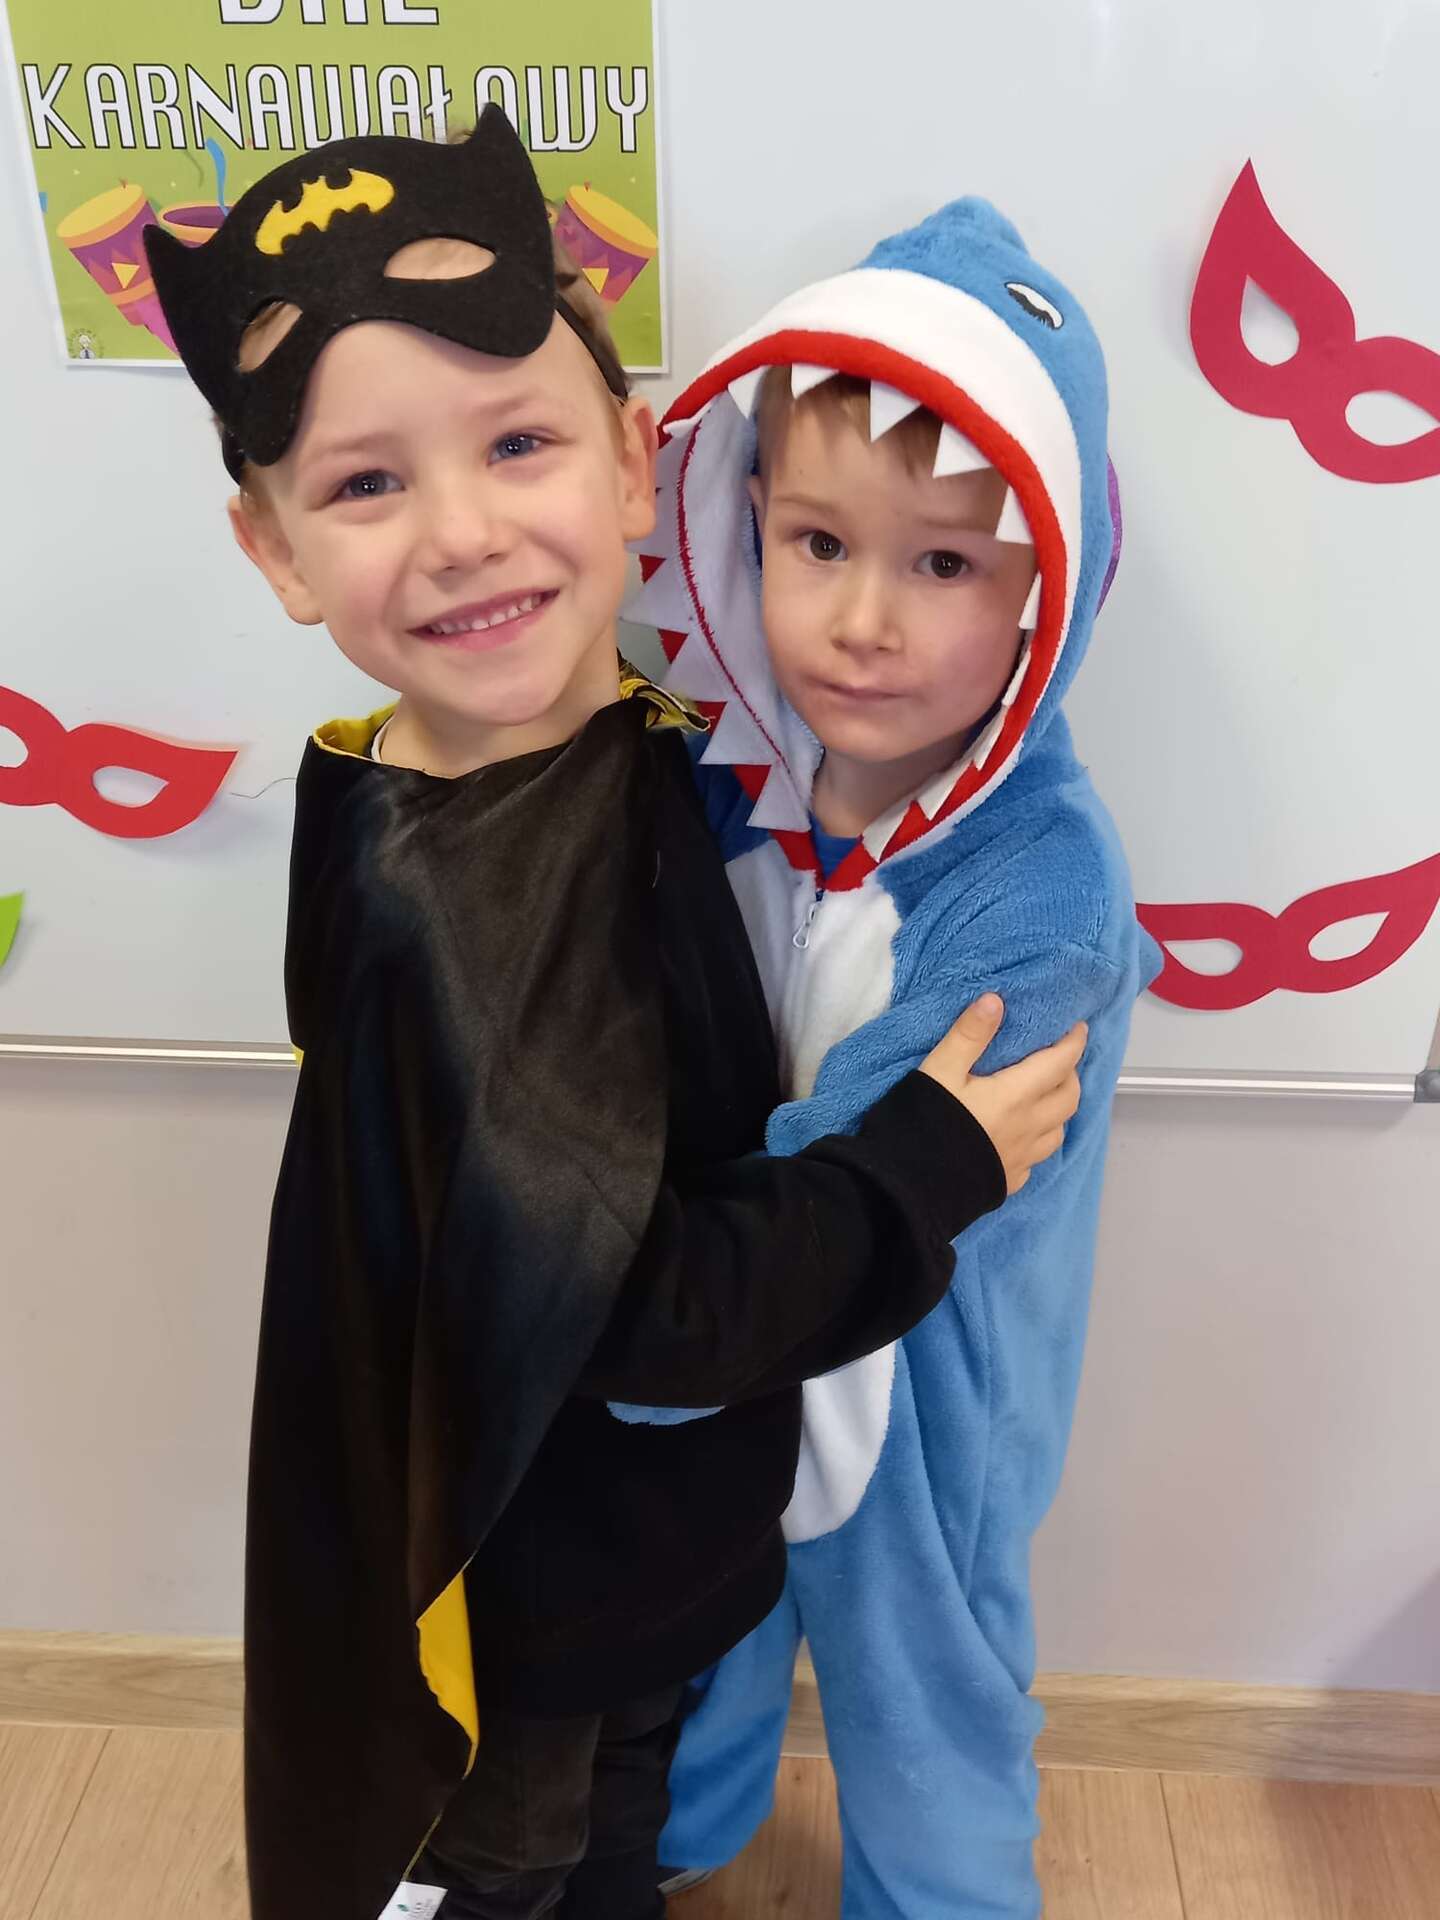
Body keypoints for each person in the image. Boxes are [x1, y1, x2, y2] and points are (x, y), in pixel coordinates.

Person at [143, 118, 1084, 1920]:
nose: (466, 533)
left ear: (638, 463)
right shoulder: (460, 912)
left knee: (619, 1838)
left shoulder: (604, 736)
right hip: (529, 1613)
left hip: (633, 1561)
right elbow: (650, 1313)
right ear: (274, 549)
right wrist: (926, 1165)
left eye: (517, 443)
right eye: (366, 484)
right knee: (534, 1871)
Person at [625, 198, 1162, 1918]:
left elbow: (889, 1141)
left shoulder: (1039, 890)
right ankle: (679, 1841)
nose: (862, 621)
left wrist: (648, 1337)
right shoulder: (727, 775)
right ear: (743, 524)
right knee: (702, 1625)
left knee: (926, 1699)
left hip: (922, 1405)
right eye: (817, 543)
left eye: (942, 565)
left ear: (1042, 597)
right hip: (738, 1336)